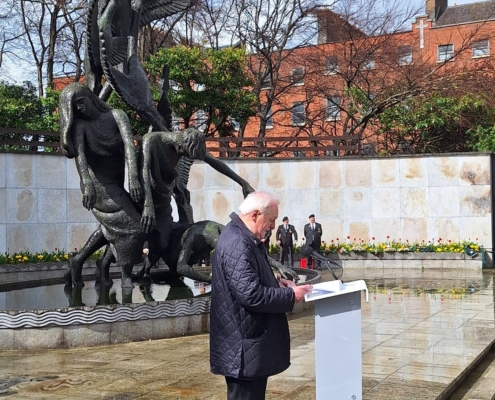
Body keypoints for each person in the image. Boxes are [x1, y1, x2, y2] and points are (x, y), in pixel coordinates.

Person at [210, 191, 313, 400]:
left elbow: (247, 281)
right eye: (271, 220)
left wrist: (277, 284)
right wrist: (290, 296)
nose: (273, 226)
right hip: (242, 350)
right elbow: (251, 295)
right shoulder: (237, 242)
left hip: (248, 347)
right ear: (255, 215)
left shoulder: (244, 237)